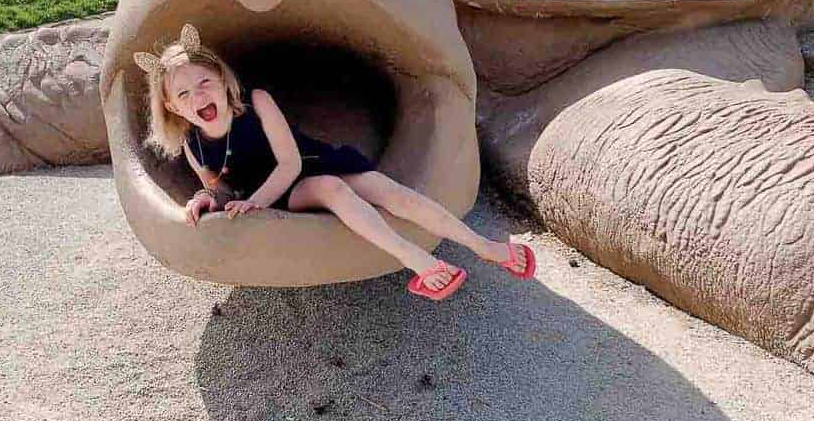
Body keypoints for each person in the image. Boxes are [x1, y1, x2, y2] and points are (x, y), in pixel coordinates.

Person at [133, 23, 537, 301]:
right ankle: (418, 261)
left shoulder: (256, 101)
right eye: (183, 94)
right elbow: (216, 185)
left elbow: (290, 162)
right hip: (283, 192)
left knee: (386, 189)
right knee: (332, 189)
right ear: (171, 106)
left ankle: (484, 246)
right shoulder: (192, 143)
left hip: (301, 164)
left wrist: (252, 199)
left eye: (204, 83)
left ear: (223, 80)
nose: (198, 97)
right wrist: (205, 200)